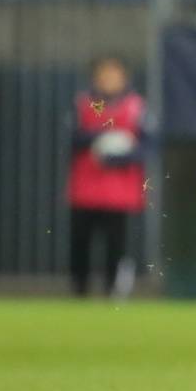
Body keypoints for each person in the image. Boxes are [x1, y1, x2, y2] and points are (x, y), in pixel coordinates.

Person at [67, 56, 149, 298]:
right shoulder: (83, 104)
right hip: (85, 188)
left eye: (114, 75)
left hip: (119, 192)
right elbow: (73, 137)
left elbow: (147, 147)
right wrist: (100, 138)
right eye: (104, 75)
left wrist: (120, 157)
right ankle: (79, 291)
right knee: (80, 242)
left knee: (116, 244)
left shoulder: (136, 107)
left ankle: (113, 290)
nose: (108, 80)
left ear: (124, 78)